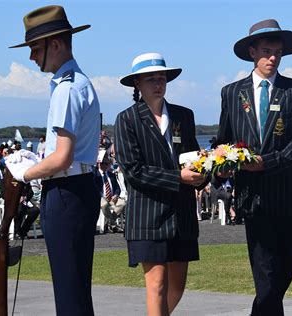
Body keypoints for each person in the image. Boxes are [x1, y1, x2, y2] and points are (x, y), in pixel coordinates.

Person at [216, 19, 292, 315]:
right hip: (253, 198)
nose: (273, 58)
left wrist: (266, 163)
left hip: (289, 196)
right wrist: (219, 166)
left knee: (288, 266)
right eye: (267, 51)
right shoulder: (232, 93)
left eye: (278, 53)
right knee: (266, 276)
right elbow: (223, 140)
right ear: (251, 52)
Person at [9, 5, 101, 315]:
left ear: (56, 44)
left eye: (36, 48)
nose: (32, 57)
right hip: (76, 188)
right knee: (74, 288)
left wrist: (25, 173)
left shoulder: (67, 88)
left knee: (69, 293)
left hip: (67, 192)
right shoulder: (75, 83)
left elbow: (62, 158)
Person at [114, 52, 206, 315]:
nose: (158, 83)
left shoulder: (183, 116)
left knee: (177, 286)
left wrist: (207, 172)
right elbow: (134, 171)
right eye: (151, 79)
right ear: (137, 84)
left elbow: (194, 155)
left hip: (182, 213)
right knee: (156, 284)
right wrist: (179, 177)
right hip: (147, 215)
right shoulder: (127, 119)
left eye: (162, 78)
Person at [93, 152, 125, 233]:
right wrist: (101, 196)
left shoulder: (111, 174)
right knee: (104, 204)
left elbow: (118, 188)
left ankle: (109, 223)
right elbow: (94, 188)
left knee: (122, 203)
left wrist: (116, 195)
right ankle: (113, 225)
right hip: (101, 197)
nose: (104, 165)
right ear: (99, 164)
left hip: (112, 197)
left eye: (106, 163)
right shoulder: (95, 174)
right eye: (102, 163)